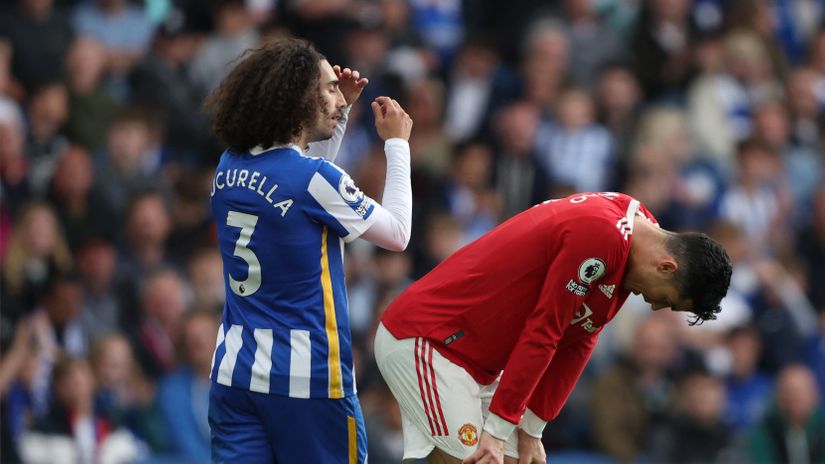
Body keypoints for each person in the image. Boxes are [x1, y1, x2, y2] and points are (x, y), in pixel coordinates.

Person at [374, 191, 732, 464]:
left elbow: (581, 339)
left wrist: (531, 429)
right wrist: (499, 431)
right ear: (666, 268)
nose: (654, 306)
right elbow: (545, 331)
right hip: (430, 341)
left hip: (475, 362)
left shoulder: (636, 237)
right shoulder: (603, 234)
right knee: (481, 458)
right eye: (666, 299)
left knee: (516, 459)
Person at [205, 37, 413, 463]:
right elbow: (398, 234)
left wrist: (338, 114)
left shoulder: (229, 165)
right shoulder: (313, 179)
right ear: (299, 100)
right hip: (309, 380)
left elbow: (299, 179)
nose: (341, 93)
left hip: (236, 375)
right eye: (330, 87)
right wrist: (397, 144)